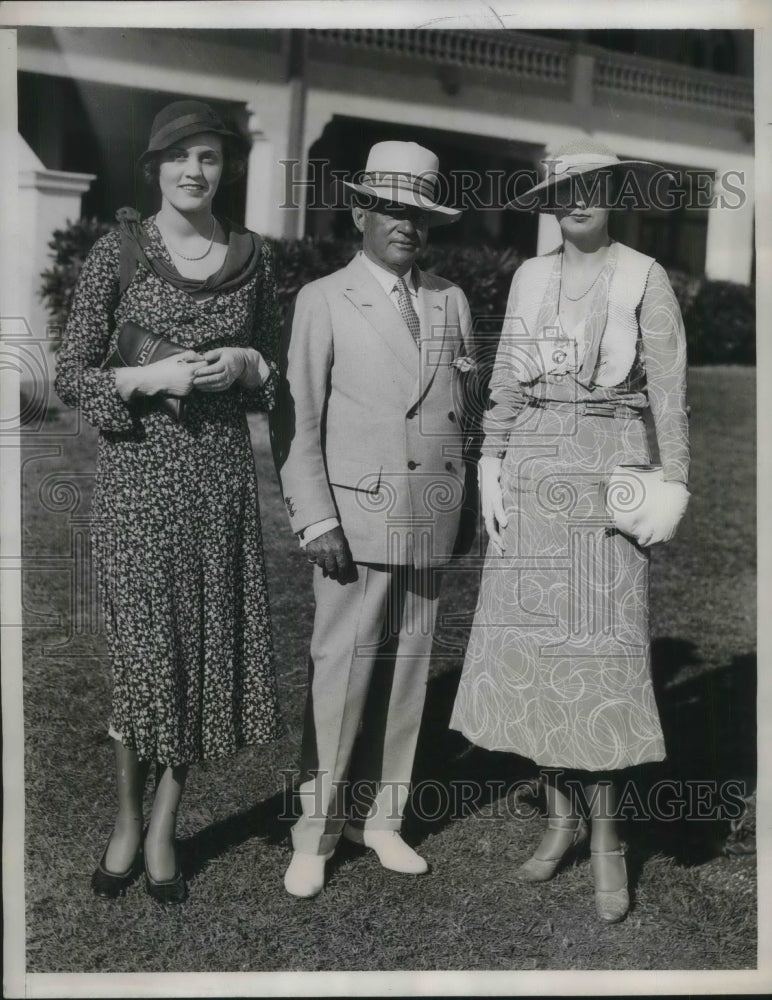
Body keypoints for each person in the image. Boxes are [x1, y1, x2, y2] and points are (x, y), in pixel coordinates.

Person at [450, 138, 690, 923]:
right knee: (538, 658)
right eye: (563, 188)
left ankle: (611, 843)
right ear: (548, 201)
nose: (577, 198)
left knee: (602, 659)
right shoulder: (530, 276)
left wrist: (673, 482)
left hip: (608, 476)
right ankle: (559, 823)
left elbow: (671, 398)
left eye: (591, 186)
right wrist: (492, 465)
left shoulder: (643, 279)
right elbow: (506, 384)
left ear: (612, 193)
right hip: (532, 477)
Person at [55, 100, 284, 905]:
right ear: (154, 167)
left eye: (210, 157)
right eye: (180, 156)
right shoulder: (117, 254)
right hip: (137, 484)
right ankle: (126, 816)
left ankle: (164, 823)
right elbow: (70, 375)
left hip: (218, 483)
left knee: (197, 654)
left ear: (227, 168)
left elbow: (281, 372)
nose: (196, 170)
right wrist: (148, 378)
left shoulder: (254, 259)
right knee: (143, 658)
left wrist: (249, 364)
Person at [271, 141, 473, 897]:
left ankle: (381, 820)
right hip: (353, 526)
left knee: (407, 677)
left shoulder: (449, 300)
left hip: (430, 520)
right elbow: (298, 425)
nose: (406, 225)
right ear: (360, 212)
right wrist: (316, 519)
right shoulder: (324, 299)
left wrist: (467, 509)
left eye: (419, 213)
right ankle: (315, 833)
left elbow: (462, 415)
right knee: (343, 675)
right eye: (391, 208)